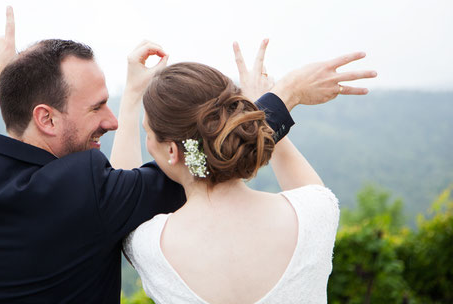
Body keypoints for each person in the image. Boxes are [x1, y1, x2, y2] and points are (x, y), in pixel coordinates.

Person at [0, 8, 307, 304]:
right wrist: (282, 96)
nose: (113, 120)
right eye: (97, 107)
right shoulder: (84, 192)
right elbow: (202, 159)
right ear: (45, 118)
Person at [119, 41, 377, 303]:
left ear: (172, 151)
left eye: (147, 133)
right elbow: (306, 185)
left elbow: (123, 199)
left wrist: (131, 95)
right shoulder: (315, 212)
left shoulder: (150, 246)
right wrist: (266, 105)